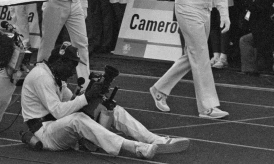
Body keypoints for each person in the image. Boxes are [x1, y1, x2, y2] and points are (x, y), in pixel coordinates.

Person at [21, 42, 189, 159]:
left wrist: (95, 97)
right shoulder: (41, 76)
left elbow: (71, 102)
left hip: (56, 127)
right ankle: (136, 148)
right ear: (59, 61)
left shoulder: (56, 76)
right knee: (78, 120)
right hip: (44, 134)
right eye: (71, 66)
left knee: (110, 108)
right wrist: (86, 97)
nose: (73, 72)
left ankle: (155, 140)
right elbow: (59, 112)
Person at [239, 0, 274, 75]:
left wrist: (247, 0)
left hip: (265, 31)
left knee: (244, 40)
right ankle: (251, 67)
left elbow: (258, 12)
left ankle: (249, 69)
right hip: (256, 29)